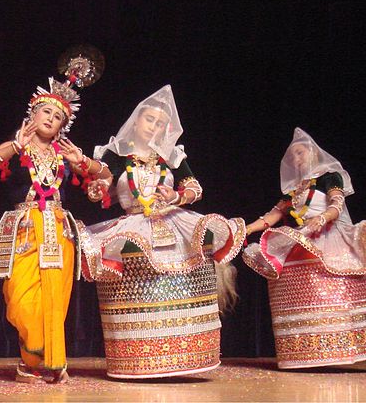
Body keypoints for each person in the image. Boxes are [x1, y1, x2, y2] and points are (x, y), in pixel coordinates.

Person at [81, 85, 246, 379]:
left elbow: (195, 188)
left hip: (173, 221)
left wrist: (176, 197)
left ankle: (183, 355)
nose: (154, 126)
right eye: (149, 120)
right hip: (133, 225)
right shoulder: (118, 155)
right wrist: (97, 189)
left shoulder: (171, 156)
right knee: (139, 284)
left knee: (179, 284)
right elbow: (102, 186)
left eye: (160, 123)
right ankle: (140, 356)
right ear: (136, 121)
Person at [0, 50, 107, 384]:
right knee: (21, 299)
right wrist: (13, 147)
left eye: (58, 117)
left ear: (64, 125)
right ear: (32, 114)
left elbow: (105, 176)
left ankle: (45, 364)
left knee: (54, 300)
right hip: (24, 230)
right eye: (45, 111)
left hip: (58, 230)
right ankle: (33, 355)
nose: (51, 119)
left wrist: (84, 163)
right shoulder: (17, 146)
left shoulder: (65, 154)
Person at [242, 127, 366, 369]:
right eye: (293, 157)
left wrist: (321, 219)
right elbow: (274, 215)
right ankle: (303, 352)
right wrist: (246, 229)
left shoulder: (328, 176)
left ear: (313, 154)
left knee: (330, 287)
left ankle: (338, 348)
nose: (297, 160)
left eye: (300, 153)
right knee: (295, 288)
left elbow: (336, 204)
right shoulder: (295, 190)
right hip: (300, 240)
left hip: (328, 235)